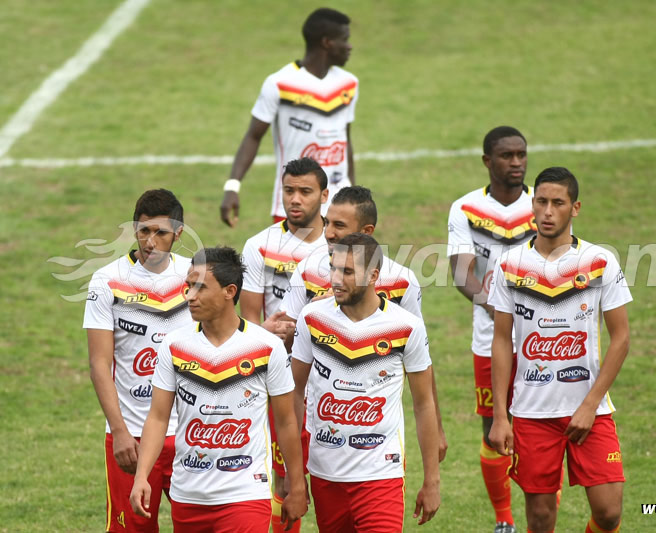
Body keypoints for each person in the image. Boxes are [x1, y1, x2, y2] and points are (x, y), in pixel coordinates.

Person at [488, 167, 632, 533]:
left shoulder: (601, 262)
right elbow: (502, 341)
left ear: (575, 208)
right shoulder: (509, 265)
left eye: (558, 203)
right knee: (539, 518)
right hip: (532, 413)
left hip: (591, 410)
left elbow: (621, 338)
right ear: (531, 205)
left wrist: (589, 405)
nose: (548, 211)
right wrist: (501, 417)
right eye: (541, 202)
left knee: (609, 512)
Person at [129, 247, 307, 532]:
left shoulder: (266, 347)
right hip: (187, 497)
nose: (190, 296)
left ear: (229, 291)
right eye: (188, 287)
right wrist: (141, 477)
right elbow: (158, 417)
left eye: (200, 287)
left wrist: (296, 484)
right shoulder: (174, 346)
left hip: (245, 495)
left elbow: (286, 421)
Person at [280, 185, 448, 461]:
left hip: (373, 423)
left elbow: (420, 359)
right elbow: (288, 342)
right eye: (327, 223)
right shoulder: (307, 269)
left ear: (367, 232)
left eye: (339, 225)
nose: (329, 233)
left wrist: (437, 426)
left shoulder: (402, 280)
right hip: (315, 414)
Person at [291, 233, 441, 532]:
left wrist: (432, 480)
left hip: (381, 475)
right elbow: (294, 394)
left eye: (347, 272)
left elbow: (424, 405)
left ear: (373, 275)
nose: (336, 279)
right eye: (333, 268)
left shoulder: (406, 326)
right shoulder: (311, 318)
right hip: (325, 474)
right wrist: (295, 476)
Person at [84, 189, 193, 532]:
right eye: (144, 230)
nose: (150, 241)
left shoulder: (196, 277)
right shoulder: (106, 281)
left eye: (160, 232)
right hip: (131, 434)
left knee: (199, 525)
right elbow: (99, 363)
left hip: (191, 434)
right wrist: (118, 431)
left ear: (178, 233)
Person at [447, 126, 536, 533]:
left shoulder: (543, 203)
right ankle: (504, 520)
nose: (516, 163)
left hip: (543, 339)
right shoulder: (465, 209)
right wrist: (498, 306)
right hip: (489, 339)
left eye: (521, 155)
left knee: (541, 427)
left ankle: (541, 516)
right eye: (507, 156)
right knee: (494, 427)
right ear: (488, 161)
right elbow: (462, 273)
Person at [239, 156, 327, 532]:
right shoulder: (260, 246)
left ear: (324, 196)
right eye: (289, 190)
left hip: (331, 372)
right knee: (284, 478)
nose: (295, 199)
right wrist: (267, 333)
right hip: (281, 375)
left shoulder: (339, 246)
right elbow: (246, 324)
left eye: (305, 192)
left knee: (328, 479)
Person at [220, 7, 357, 226]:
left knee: (346, 262)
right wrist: (233, 186)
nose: (350, 46)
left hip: (338, 208)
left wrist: (353, 195)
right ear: (327, 42)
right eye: (345, 39)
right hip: (295, 206)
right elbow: (253, 136)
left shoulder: (349, 84)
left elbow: (345, 140)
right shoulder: (280, 84)